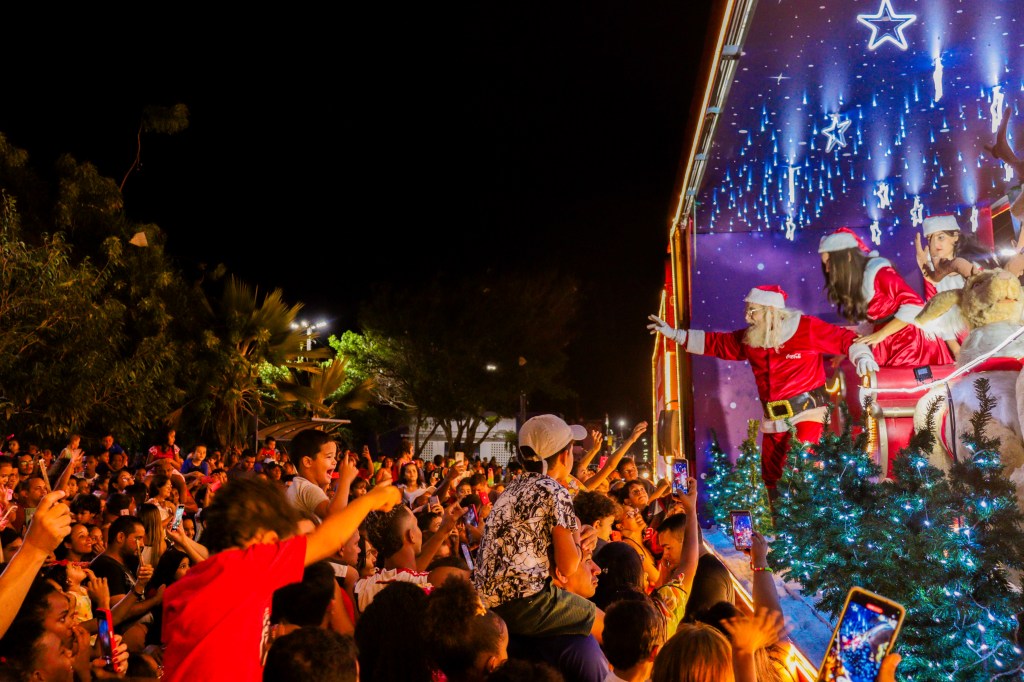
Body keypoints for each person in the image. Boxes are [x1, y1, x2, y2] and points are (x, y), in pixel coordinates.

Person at [159, 475, 400, 681]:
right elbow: (328, 540)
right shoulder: (248, 568)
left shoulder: (196, 582)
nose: (281, 544)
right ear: (263, 537)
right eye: (278, 539)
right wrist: (371, 499)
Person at [648, 284, 880, 497]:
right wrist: (676, 334)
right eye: (747, 311)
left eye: (753, 311)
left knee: (797, 469)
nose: (747, 316)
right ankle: (781, 528)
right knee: (771, 478)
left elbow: (845, 339)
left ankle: (806, 524)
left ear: (770, 310)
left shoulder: (806, 328)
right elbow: (718, 343)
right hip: (773, 421)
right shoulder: (752, 338)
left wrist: (862, 356)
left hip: (807, 415)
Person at [473, 414, 602, 642]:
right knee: (603, 623)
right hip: (527, 601)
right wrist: (578, 540)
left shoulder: (512, 488)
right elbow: (568, 566)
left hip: (488, 599)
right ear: (564, 455)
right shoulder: (555, 490)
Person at [818, 227, 953, 367]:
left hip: (909, 341)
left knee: (907, 378)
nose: (827, 269)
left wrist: (882, 333)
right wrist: (848, 350)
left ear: (847, 256)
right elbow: (872, 321)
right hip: (887, 341)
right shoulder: (859, 281)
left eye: (829, 262)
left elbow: (914, 305)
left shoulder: (879, 272)